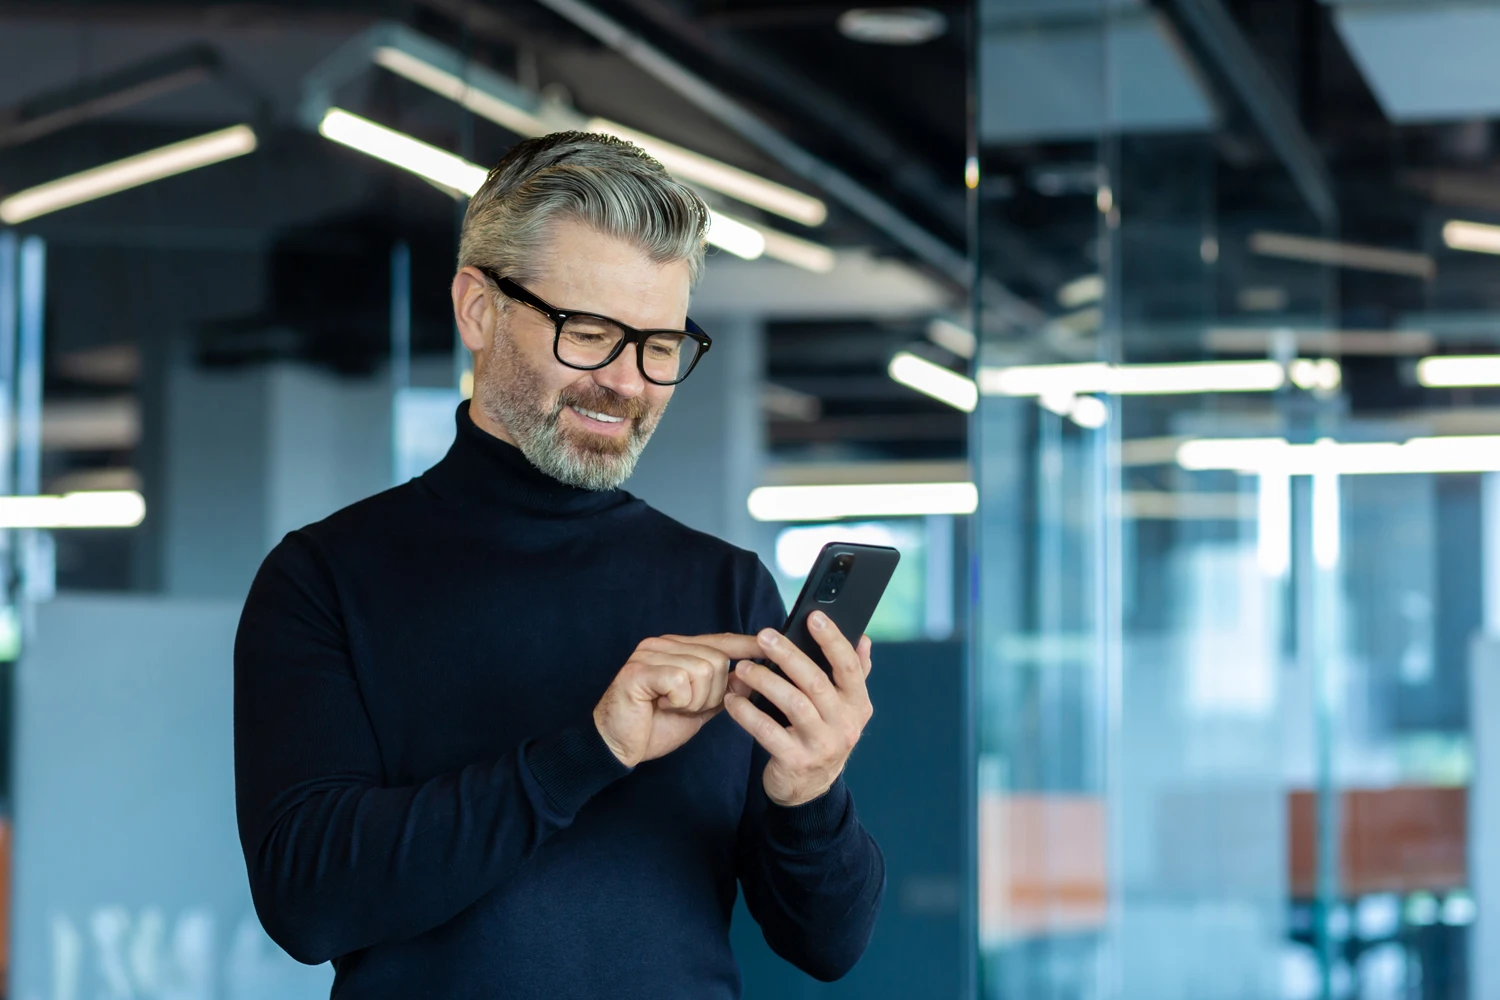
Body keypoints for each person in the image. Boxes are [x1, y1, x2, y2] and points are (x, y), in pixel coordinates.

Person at [234, 131, 885, 999]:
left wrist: (811, 790)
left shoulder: (725, 589)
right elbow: (307, 903)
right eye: (589, 333)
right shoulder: (323, 580)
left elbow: (826, 944)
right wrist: (592, 749)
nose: (627, 382)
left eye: (660, 345)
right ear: (478, 309)